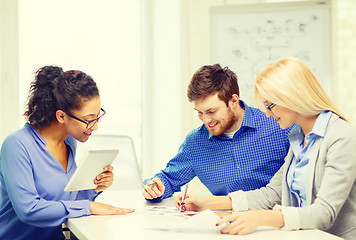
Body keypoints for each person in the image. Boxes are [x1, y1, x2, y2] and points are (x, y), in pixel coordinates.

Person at [175, 58, 356, 240]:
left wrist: (262, 217)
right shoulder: (298, 138)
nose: (268, 114)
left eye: (270, 105)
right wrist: (206, 203)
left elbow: (324, 213)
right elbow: (272, 194)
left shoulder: (341, 137)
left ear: (294, 96)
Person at [0, 66, 134, 240]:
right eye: (88, 120)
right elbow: (29, 210)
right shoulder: (17, 145)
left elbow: (64, 198)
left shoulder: (69, 142)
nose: (96, 126)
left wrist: (93, 188)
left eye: (97, 117)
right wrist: (90, 206)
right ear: (61, 116)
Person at [142, 64, 291, 202]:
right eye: (199, 112)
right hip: (226, 223)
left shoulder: (278, 125)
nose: (206, 120)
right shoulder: (195, 143)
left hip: (276, 222)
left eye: (211, 111)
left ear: (233, 101)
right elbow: (167, 179)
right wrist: (154, 188)